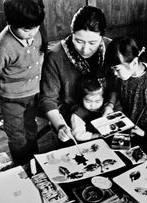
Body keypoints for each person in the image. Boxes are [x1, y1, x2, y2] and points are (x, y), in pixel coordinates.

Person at [0, 0, 45, 165]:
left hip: (33, 93)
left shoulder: (36, 31)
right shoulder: (0, 47)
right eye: (26, 29)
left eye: (36, 27)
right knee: (16, 134)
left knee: (31, 126)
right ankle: (23, 165)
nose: (32, 33)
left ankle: (34, 160)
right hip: (11, 98)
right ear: (10, 22)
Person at [39, 6, 114, 144]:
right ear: (71, 34)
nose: (85, 49)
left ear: (102, 36)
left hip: (106, 111)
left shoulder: (111, 48)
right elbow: (48, 99)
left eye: (92, 43)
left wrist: (110, 106)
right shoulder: (56, 56)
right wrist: (60, 126)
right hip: (71, 119)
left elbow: (117, 86)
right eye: (79, 41)